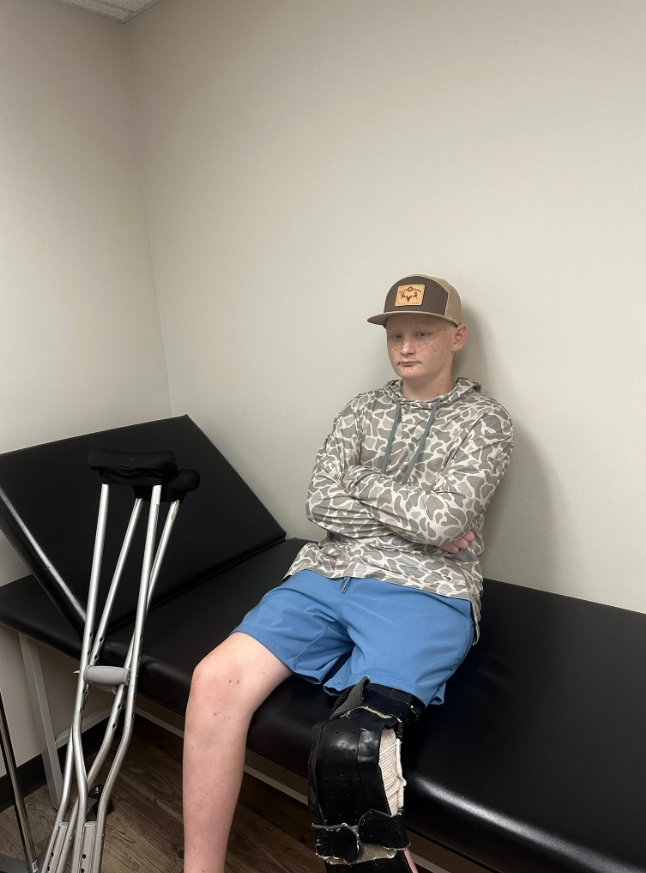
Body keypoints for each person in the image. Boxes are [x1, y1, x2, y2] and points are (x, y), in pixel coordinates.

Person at [182, 275, 514, 873]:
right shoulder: (361, 409)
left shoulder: (484, 420)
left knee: (353, 745)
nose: (405, 347)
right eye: (395, 335)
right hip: (328, 572)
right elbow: (320, 502)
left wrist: (361, 482)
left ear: (457, 337)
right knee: (213, 680)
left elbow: (445, 523)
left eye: (422, 333)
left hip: (425, 587)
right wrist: (416, 517)